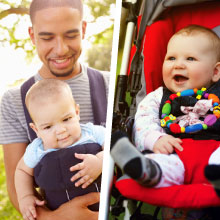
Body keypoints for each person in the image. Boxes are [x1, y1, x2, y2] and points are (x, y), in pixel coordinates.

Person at [0, 0, 109, 219]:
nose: (60, 49)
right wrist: (54, 217)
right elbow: (18, 182)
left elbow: (118, 146)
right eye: (47, 37)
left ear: (84, 29)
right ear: (32, 36)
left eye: (70, 35)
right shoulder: (12, 102)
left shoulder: (108, 86)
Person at [111, 25, 220, 195]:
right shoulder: (158, 97)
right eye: (171, 58)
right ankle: (146, 169)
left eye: (190, 59)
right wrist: (155, 139)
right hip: (176, 155)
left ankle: (217, 177)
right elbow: (144, 121)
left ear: (215, 71)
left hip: (215, 152)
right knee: (163, 163)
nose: (178, 65)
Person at [15, 79, 104, 220]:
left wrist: (101, 160)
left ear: (76, 112)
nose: (61, 131)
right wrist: (25, 196)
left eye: (66, 119)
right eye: (48, 127)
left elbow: (114, 147)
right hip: (60, 212)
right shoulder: (37, 149)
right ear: (36, 129)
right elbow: (21, 171)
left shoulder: (92, 133)